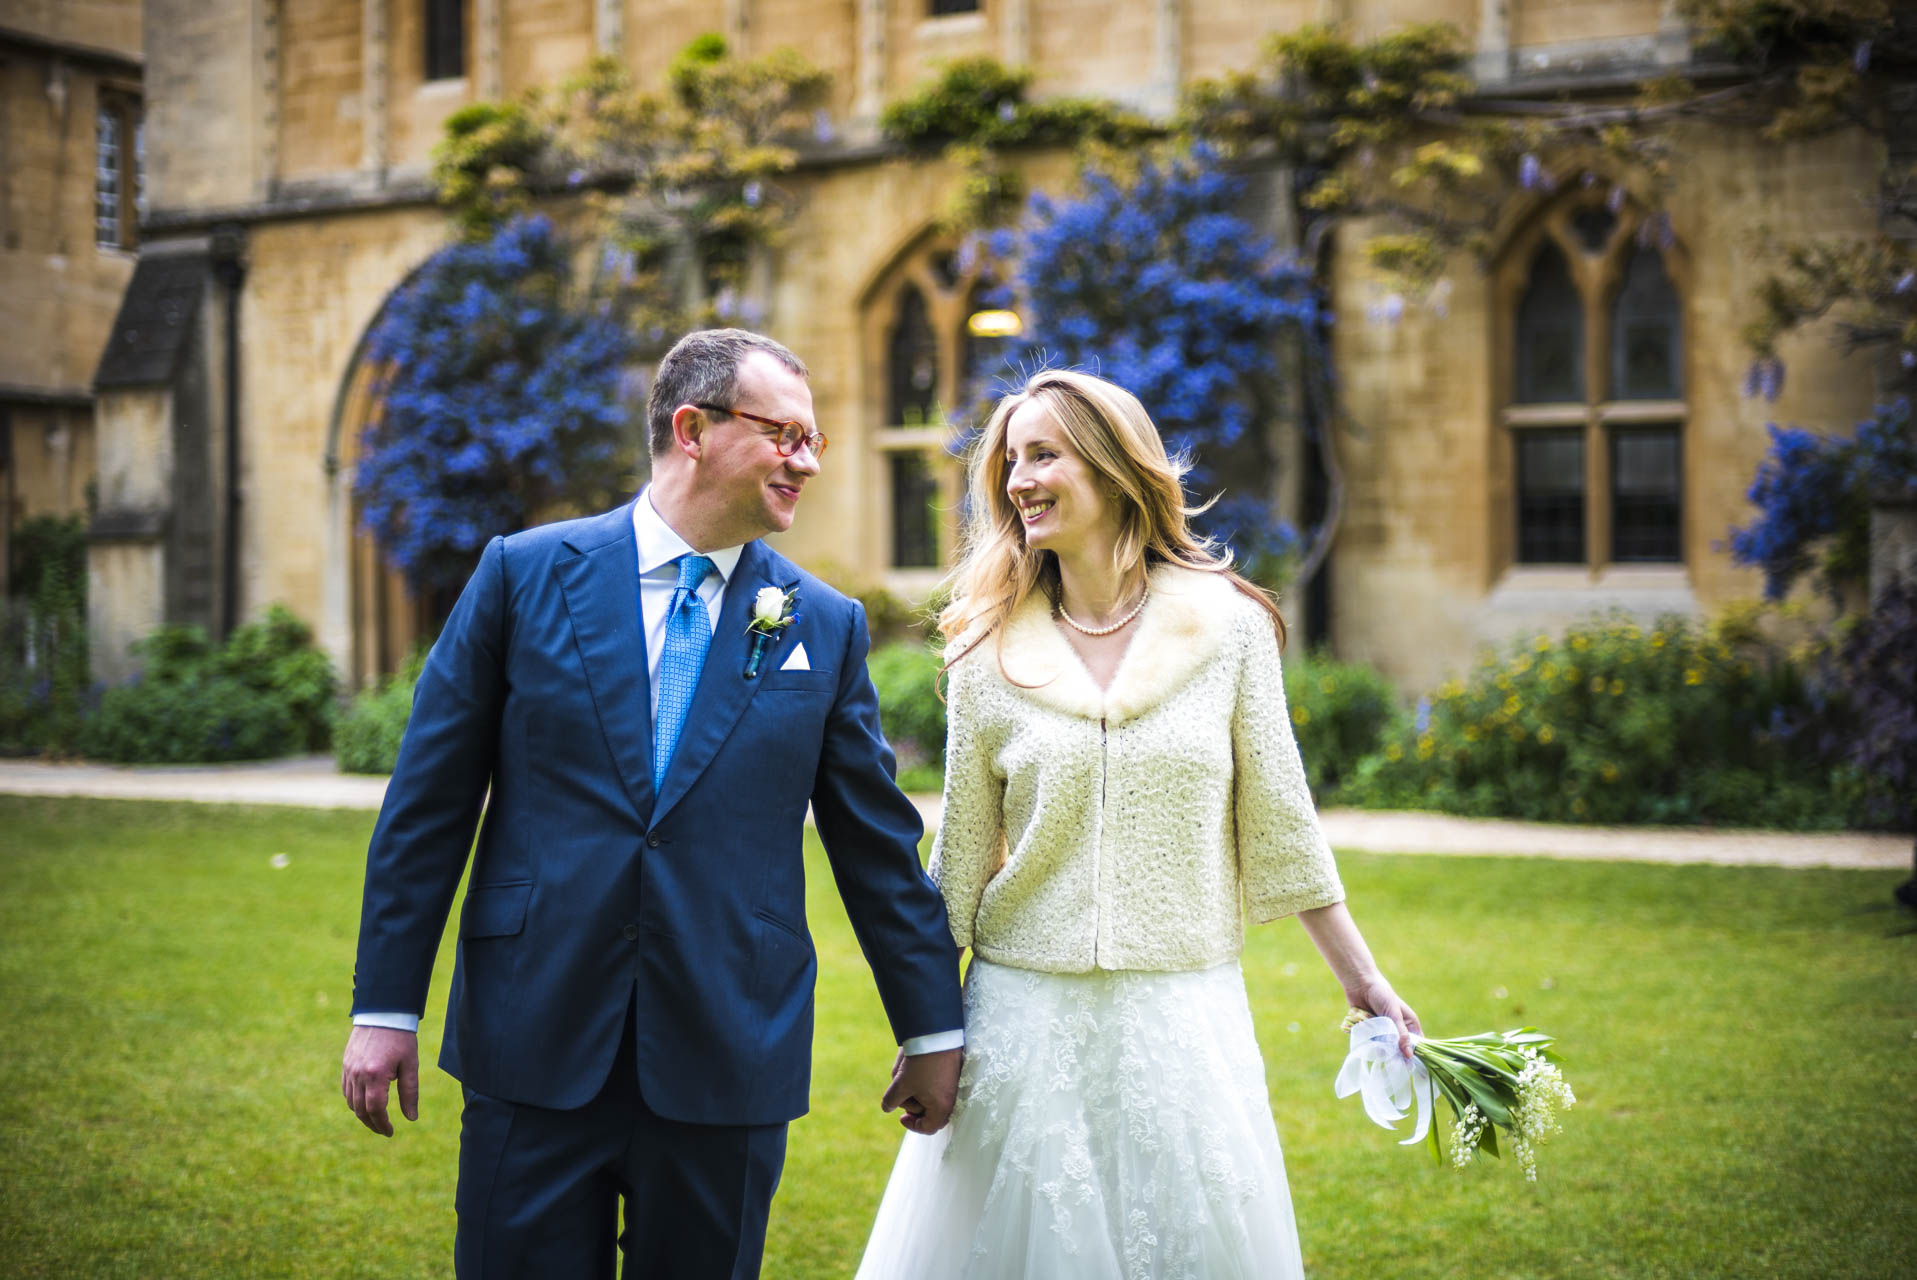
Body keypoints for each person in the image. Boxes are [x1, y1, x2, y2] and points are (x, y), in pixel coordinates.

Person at [340, 328, 965, 1279]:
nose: (807, 461)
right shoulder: (521, 575)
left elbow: (875, 847)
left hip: (728, 1046)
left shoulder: (821, 626)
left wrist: (930, 1029)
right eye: (785, 434)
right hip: (533, 1030)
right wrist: (387, 1005)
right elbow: (429, 806)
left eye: (816, 441)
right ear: (692, 428)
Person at [856, 369, 1421, 1279]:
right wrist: (928, 1039)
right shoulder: (984, 653)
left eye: (1043, 454)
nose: (1017, 480)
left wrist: (1363, 983)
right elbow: (957, 865)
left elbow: (1279, 820)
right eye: (1009, 461)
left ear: (1116, 467)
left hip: (1183, 1018)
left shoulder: (1228, 631)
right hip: (1022, 1025)